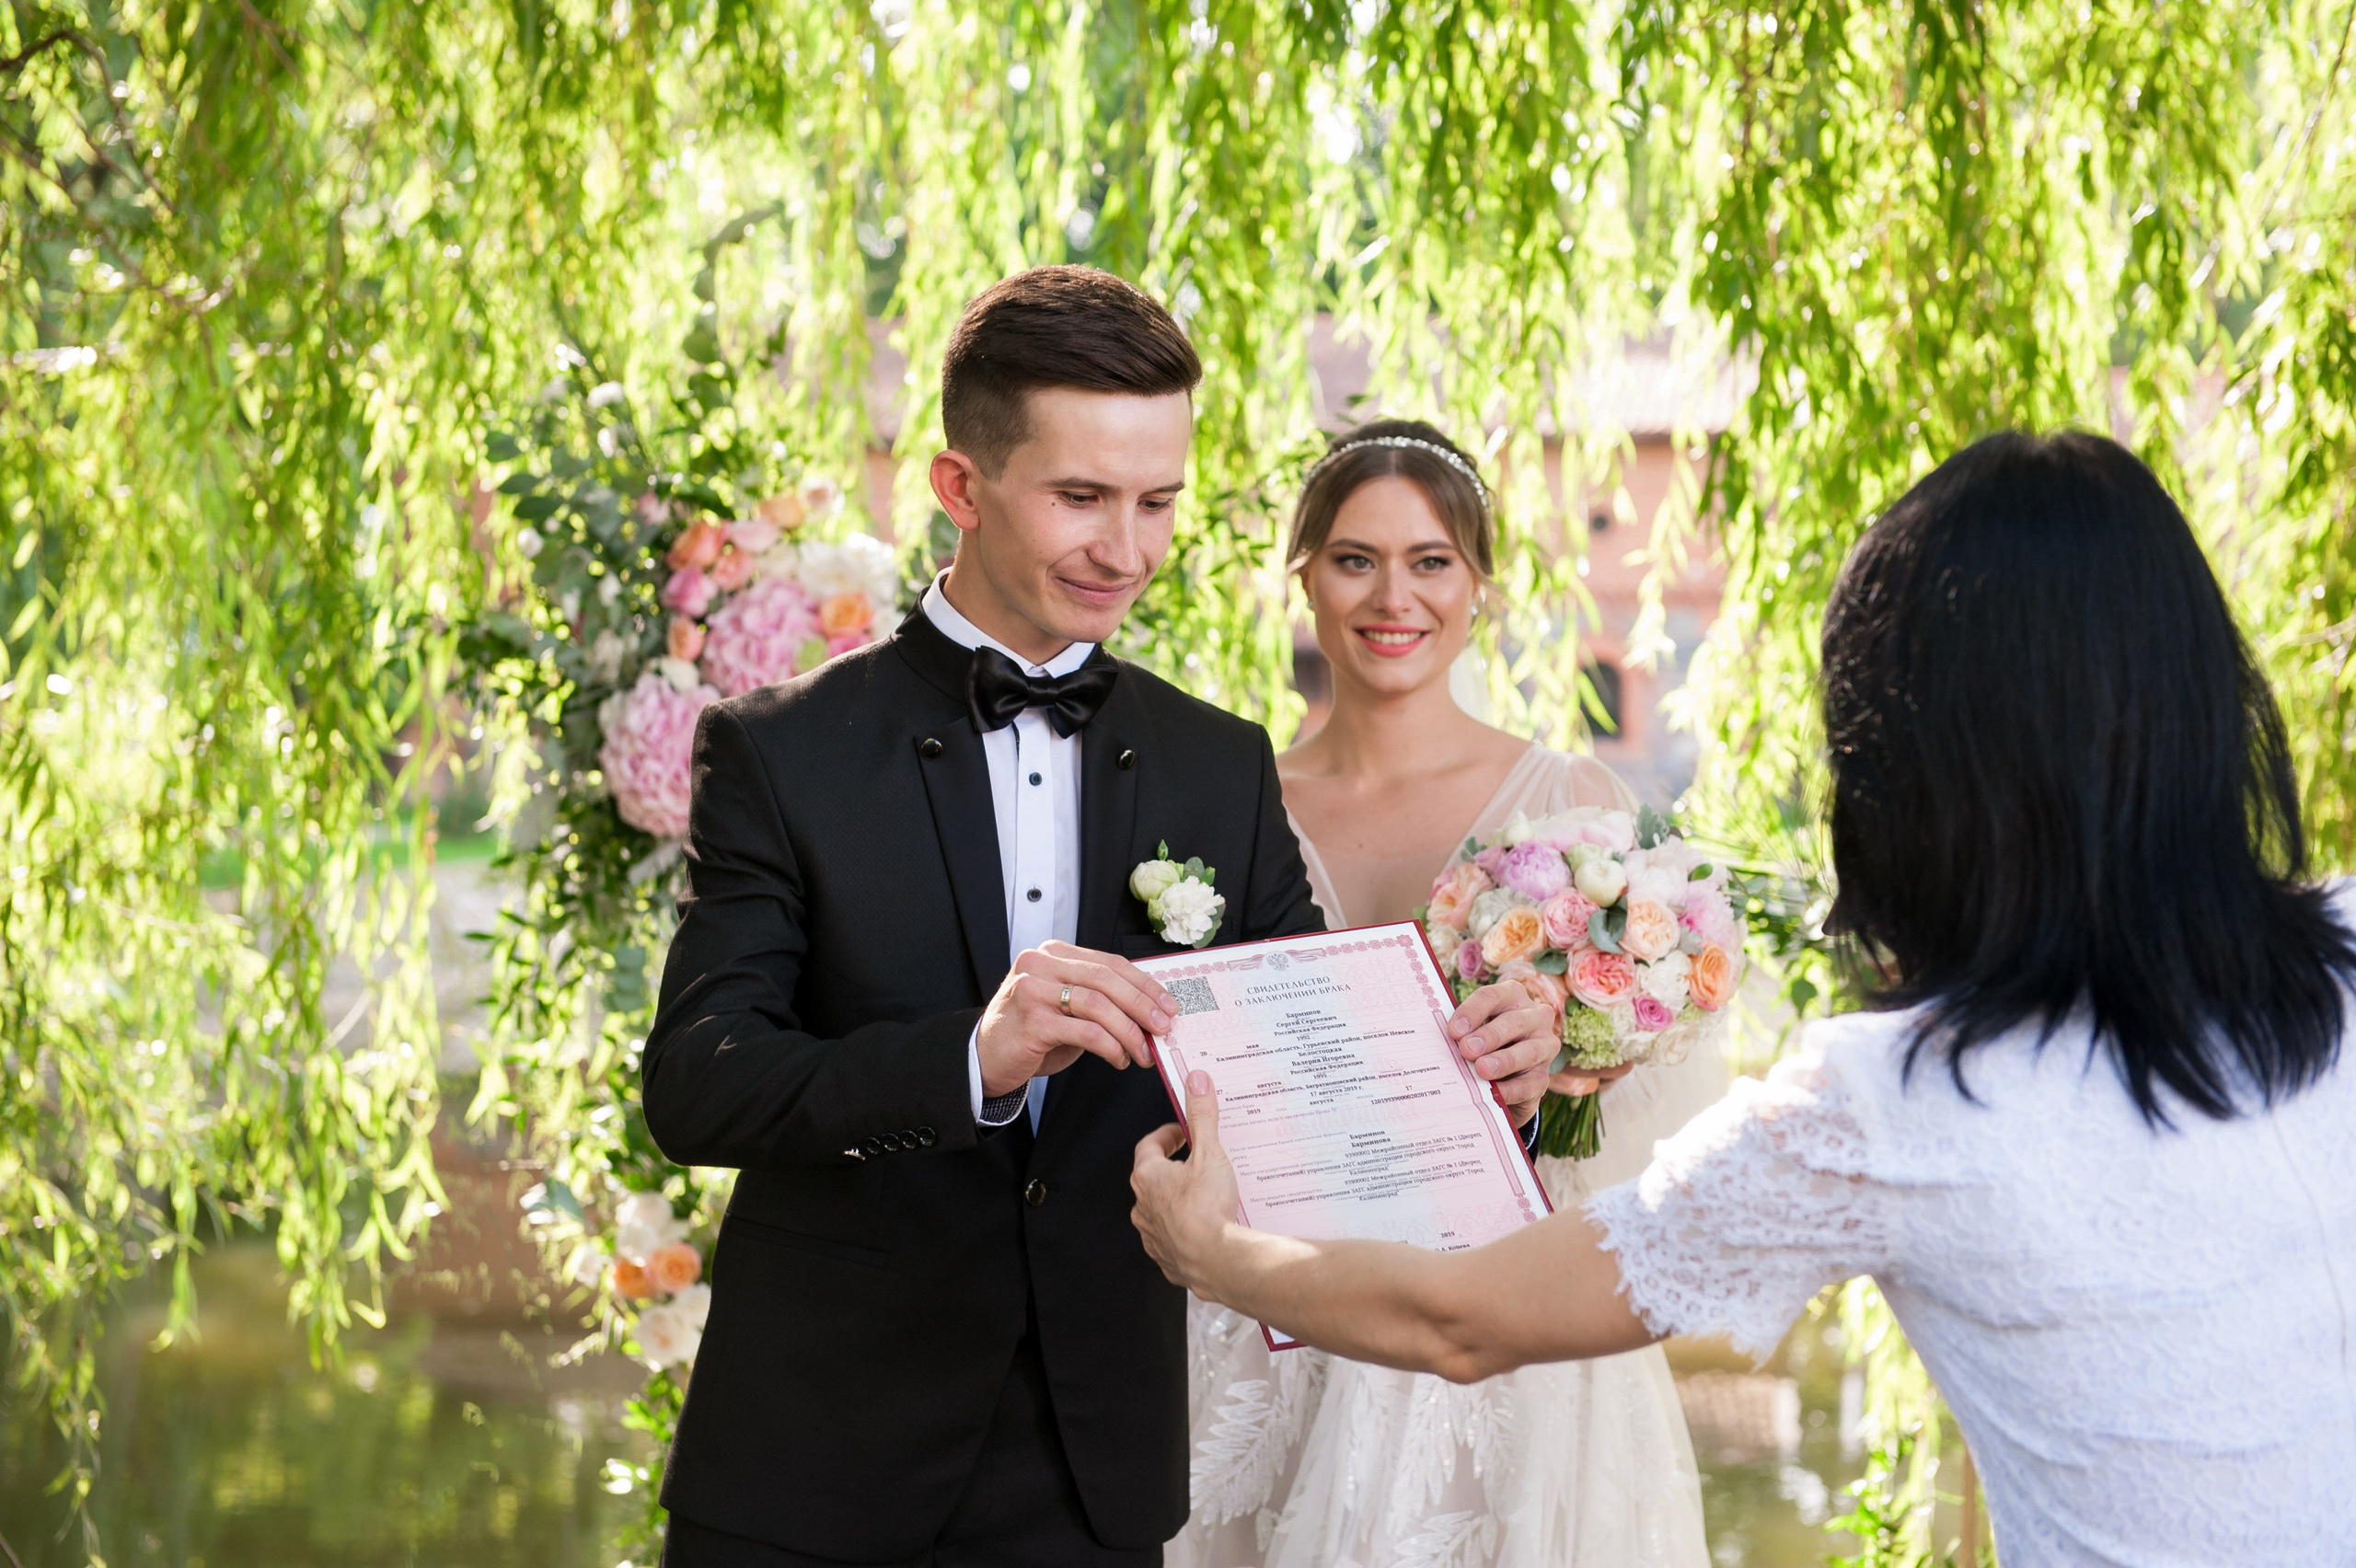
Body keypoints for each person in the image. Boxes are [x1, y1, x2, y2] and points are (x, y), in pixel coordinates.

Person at [1135, 429, 2356, 1568]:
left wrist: (1216, 1255)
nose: (1392, 596)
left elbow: (1465, 1325)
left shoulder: (1887, 1110)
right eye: (1354, 559)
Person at [640, 268, 1567, 1568]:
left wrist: (1488, 1084)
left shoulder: (1216, 763)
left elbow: (1313, 1077)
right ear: (960, 487)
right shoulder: (780, 753)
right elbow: (697, 1086)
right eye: (1081, 497)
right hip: (815, 1468)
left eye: (1157, 502)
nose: (1125, 549)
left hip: (1098, 1481)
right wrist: (975, 1057)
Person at [1167, 421, 1716, 1568]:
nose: (1391, 596)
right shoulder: (1233, 803)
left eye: (1430, 561)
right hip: (1280, 1298)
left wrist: (1572, 1065)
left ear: (1479, 589)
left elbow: (1666, 1107)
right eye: (1353, 558)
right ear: (1303, 576)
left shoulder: (1569, 799)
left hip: (1500, 1301)